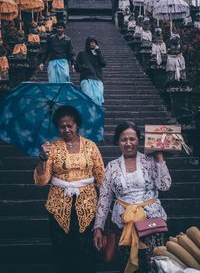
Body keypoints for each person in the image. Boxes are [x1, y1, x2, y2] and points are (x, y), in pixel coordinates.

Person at [93, 121, 171, 273]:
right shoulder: (112, 167)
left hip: (151, 222)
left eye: (132, 139)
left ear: (139, 140)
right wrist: (98, 227)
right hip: (124, 224)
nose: (128, 144)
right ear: (118, 142)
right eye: (123, 140)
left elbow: (165, 186)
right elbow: (104, 199)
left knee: (154, 264)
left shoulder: (149, 162)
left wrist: (160, 158)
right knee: (127, 264)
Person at [34, 105, 105, 273]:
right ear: (57, 127)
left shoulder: (91, 146)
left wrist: (106, 206)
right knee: (62, 248)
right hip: (59, 205)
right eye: (62, 126)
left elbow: (101, 177)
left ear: (77, 125)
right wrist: (42, 158)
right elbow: (42, 181)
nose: (66, 129)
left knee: (87, 247)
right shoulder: (52, 149)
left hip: (87, 204)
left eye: (69, 125)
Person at [75, 37, 106, 106]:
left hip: (97, 79)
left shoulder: (98, 54)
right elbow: (76, 66)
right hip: (86, 78)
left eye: (94, 42)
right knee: (88, 97)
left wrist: (98, 52)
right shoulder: (82, 53)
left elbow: (103, 64)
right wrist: (84, 68)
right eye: (91, 42)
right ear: (87, 43)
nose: (93, 44)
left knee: (98, 98)